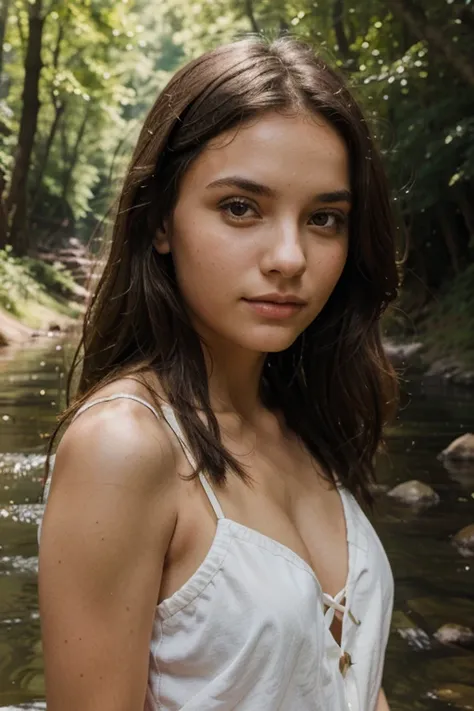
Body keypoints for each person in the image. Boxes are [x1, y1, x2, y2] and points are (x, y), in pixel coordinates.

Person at [38, 35, 399, 711]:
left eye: (325, 218)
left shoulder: (306, 419)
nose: (290, 256)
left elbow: (351, 681)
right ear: (160, 221)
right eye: (241, 207)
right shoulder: (125, 445)